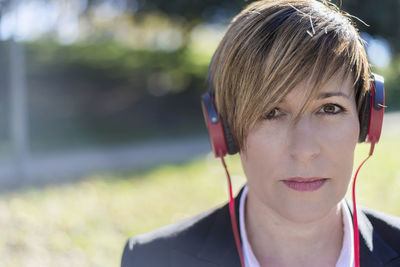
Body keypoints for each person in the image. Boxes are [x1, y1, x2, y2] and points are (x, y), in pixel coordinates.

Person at [121, 0, 400, 266]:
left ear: (366, 121)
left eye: (329, 108)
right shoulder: (152, 259)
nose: (304, 150)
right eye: (271, 112)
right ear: (225, 129)